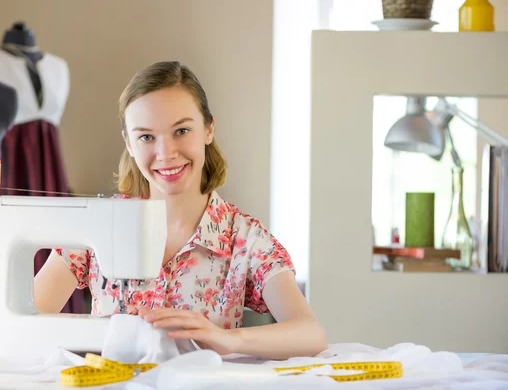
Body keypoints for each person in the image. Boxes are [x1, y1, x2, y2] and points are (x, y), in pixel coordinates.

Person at [33, 61, 327, 360]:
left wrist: (227, 339)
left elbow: (310, 334)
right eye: (146, 137)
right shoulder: (98, 225)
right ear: (129, 144)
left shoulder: (245, 239)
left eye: (182, 130)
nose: (166, 153)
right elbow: (23, 325)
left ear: (209, 129)